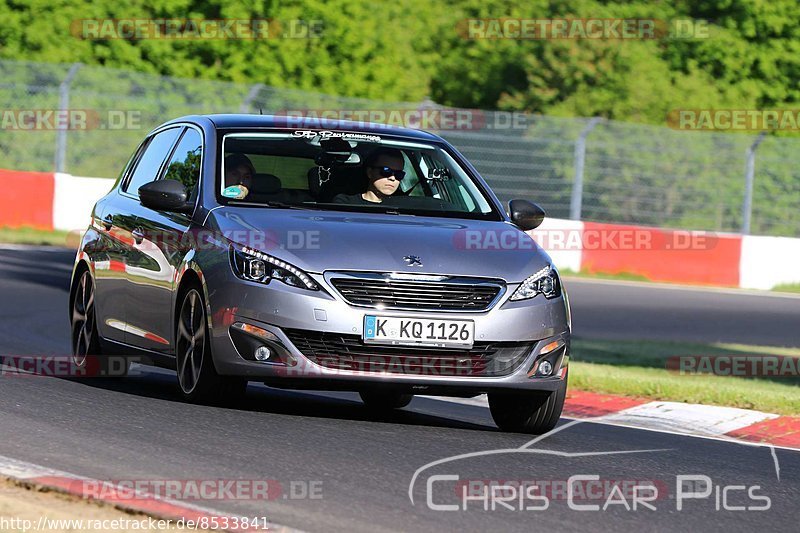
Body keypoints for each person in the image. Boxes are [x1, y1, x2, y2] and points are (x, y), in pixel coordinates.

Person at [333, 148, 405, 204]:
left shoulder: (406, 207)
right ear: (370, 172)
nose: (392, 178)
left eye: (398, 174)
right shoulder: (345, 203)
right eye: (386, 171)